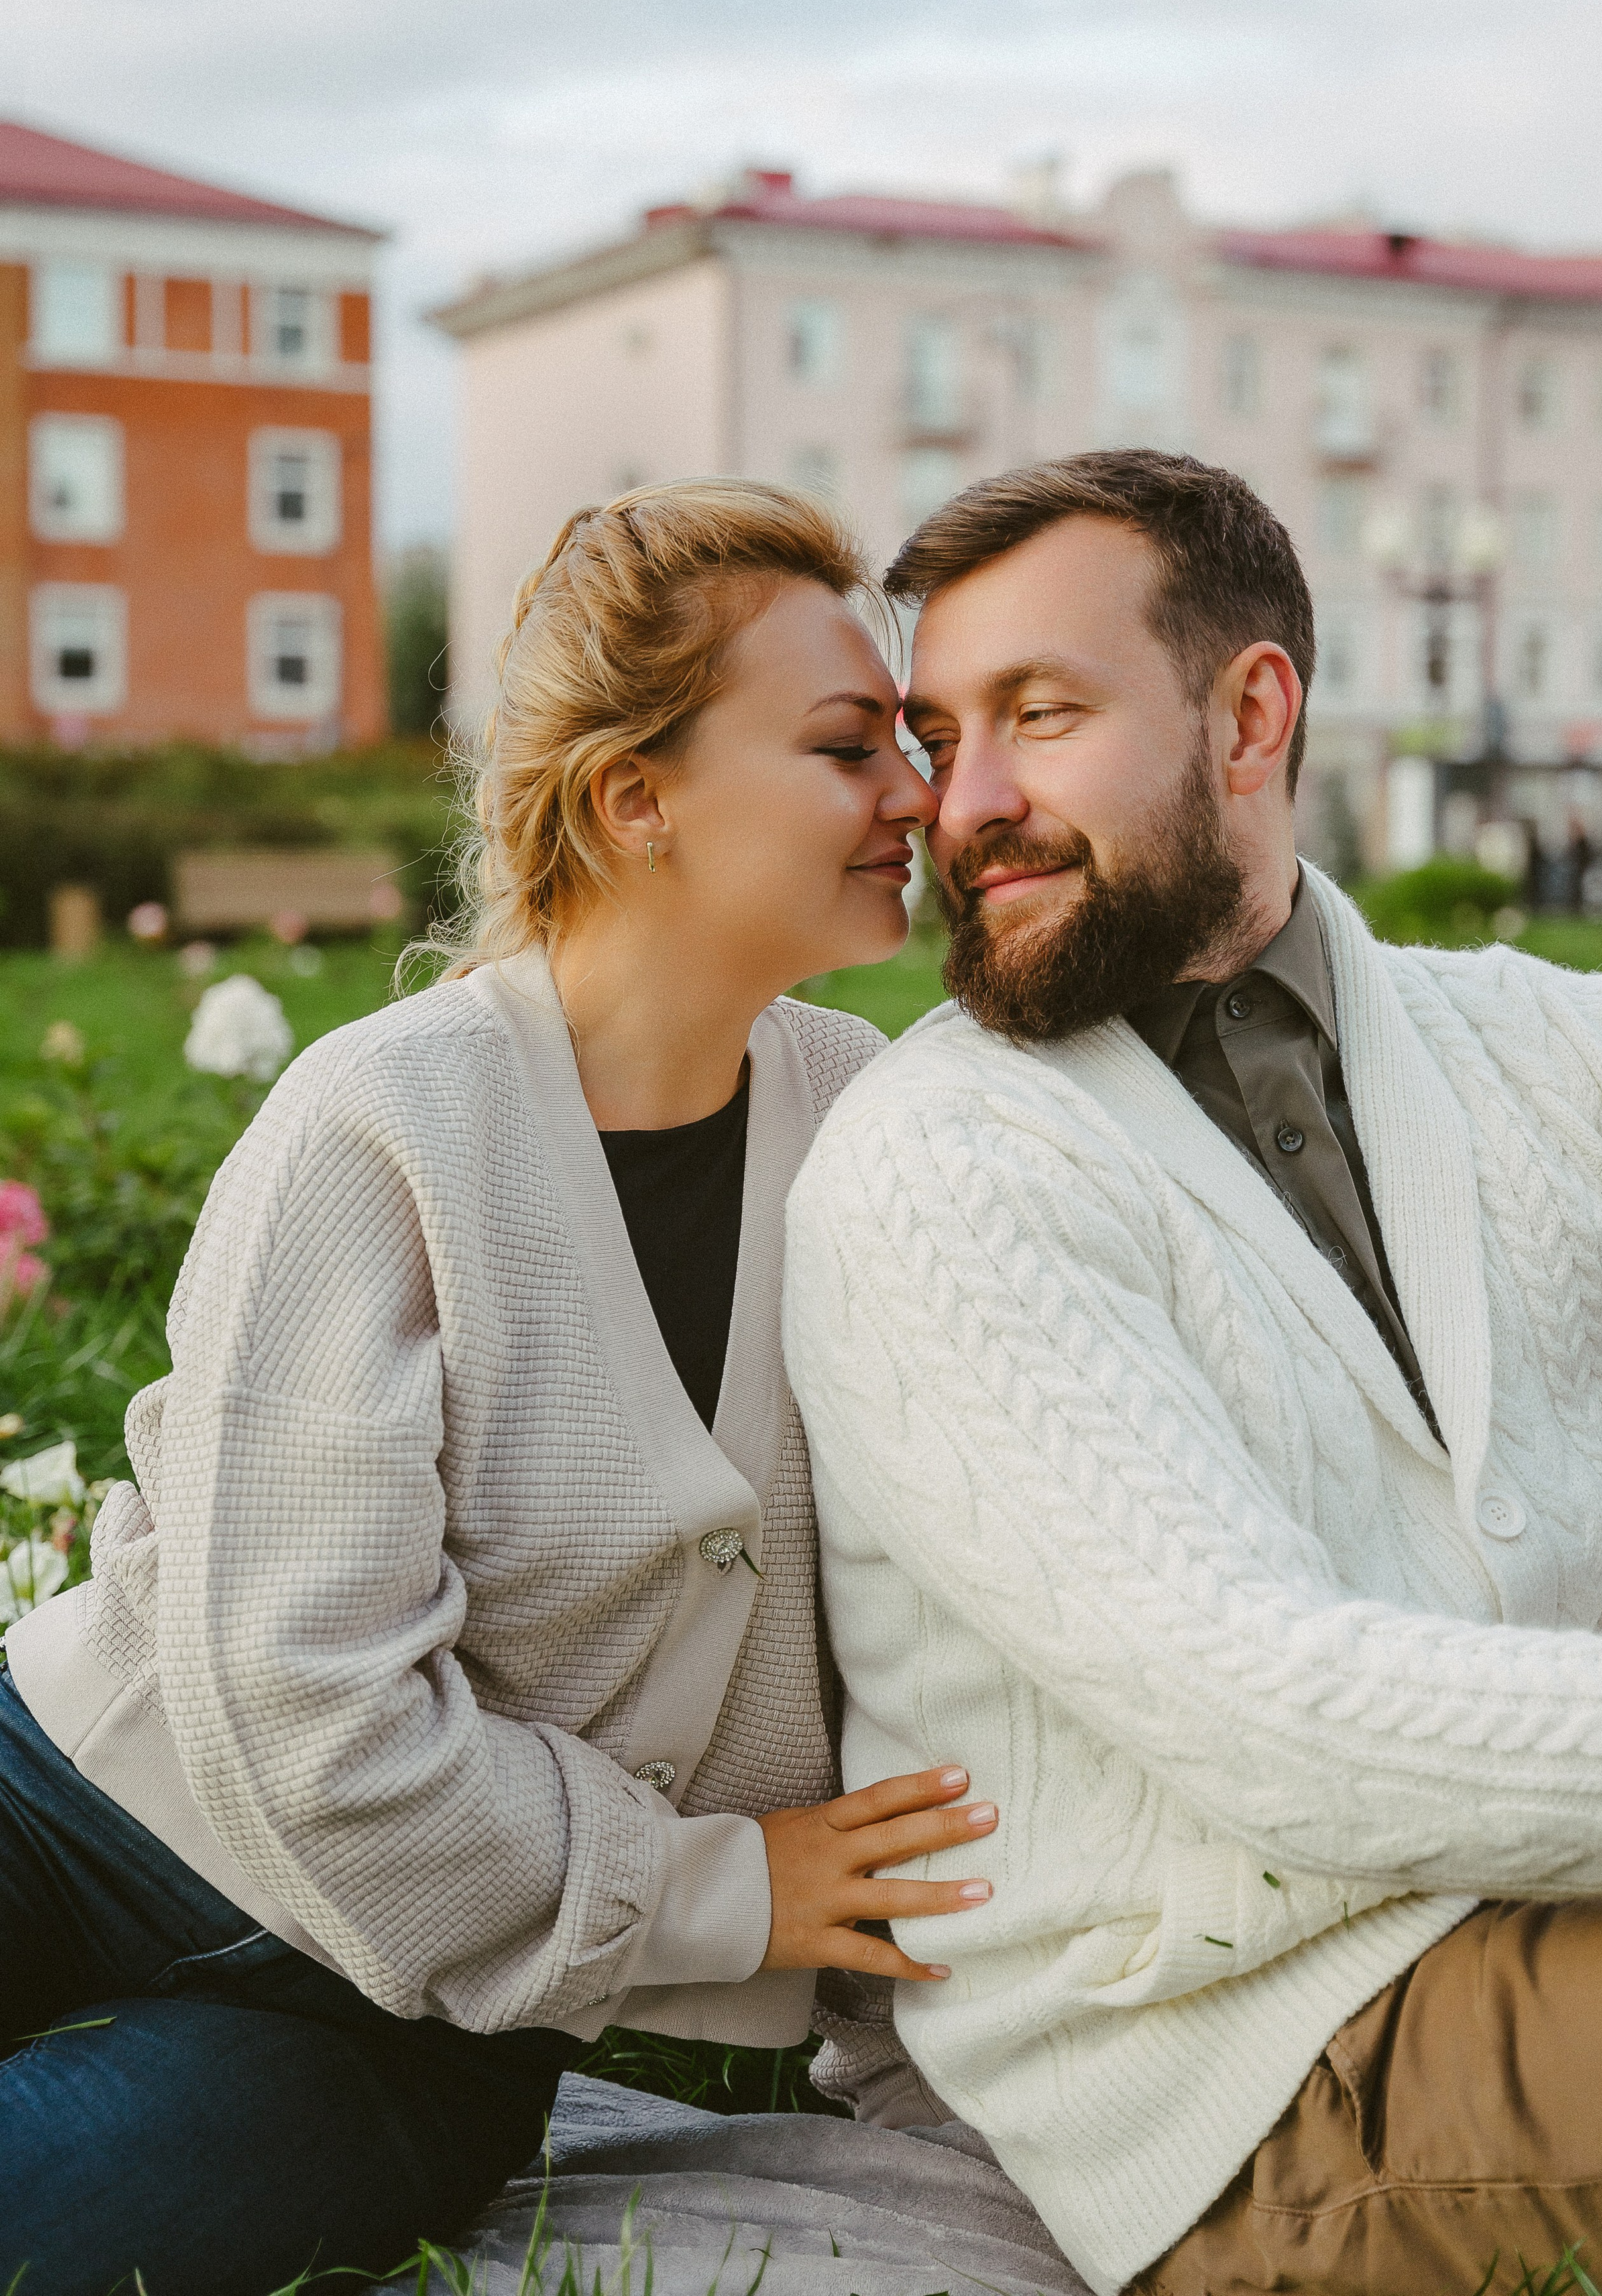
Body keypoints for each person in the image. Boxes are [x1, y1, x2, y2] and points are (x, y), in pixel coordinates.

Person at [0, 480, 998, 2296]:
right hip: (78, 1813)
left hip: (415, 2020)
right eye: (849, 746)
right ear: (634, 800)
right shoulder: (383, 1126)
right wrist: (725, 1892)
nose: (919, 798)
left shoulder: (876, 1128)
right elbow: (308, 1719)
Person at [783, 448, 1602, 2296]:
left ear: (1252, 717)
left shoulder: (1521, 1038)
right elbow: (1292, 1735)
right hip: (1265, 2055)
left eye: (1040, 716)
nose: (967, 802)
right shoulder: (942, 1173)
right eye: (941, 735)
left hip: (1573, 1861)